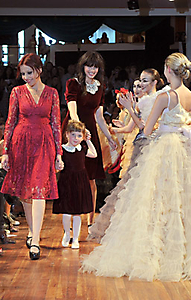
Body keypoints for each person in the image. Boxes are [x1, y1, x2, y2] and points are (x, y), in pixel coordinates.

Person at [81, 53, 191, 282]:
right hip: (182, 150)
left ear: (167, 70)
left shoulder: (165, 97)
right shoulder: (189, 95)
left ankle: (153, 252)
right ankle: (178, 253)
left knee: (152, 201)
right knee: (178, 200)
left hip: (163, 149)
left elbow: (146, 130)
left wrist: (132, 111)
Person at [87, 68, 165, 243]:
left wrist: (130, 108)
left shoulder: (158, 100)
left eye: (145, 81)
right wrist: (110, 130)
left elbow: (146, 127)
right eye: (140, 80)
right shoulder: (141, 102)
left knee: (147, 187)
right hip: (139, 145)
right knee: (132, 187)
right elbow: (131, 128)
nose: (141, 84)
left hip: (152, 146)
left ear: (154, 83)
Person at [1, 53, 63, 260]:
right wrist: (5, 152)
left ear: (39, 71)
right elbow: (10, 122)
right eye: (23, 73)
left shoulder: (52, 93)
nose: (25, 77)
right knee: (26, 191)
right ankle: (31, 231)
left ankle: (35, 240)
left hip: (45, 144)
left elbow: (56, 124)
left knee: (39, 191)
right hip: (21, 143)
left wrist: (59, 153)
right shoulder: (16, 92)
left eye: (29, 73)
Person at [63, 51, 116, 230]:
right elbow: (72, 109)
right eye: (89, 66)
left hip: (91, 131)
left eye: (95, 67)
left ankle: (90, 220)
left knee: (91, 177)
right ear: (83, 66)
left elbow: (99, 117)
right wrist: (79, 131)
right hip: (74, 130)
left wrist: (109, 137)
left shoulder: (100, 86)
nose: (92, 70)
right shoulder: (74, 83)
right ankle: (70, 218)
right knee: (72, 175)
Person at [52, 120, 97, 249]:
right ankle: (67, 233)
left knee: (77, 213)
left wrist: (88, 140)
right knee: (66, 212)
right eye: (73, 135)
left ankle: (76, 238)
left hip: (80, 182)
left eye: (79, 136)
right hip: (67, 182)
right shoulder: (62, 150)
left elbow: (94, 154)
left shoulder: (82, 148)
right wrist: (58, 165)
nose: (76, 138)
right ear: (67, 134)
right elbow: (56, 167)